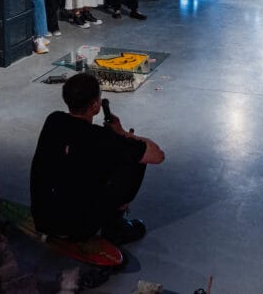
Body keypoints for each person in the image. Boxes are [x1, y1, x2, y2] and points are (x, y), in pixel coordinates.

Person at [30, 72, 165, 244]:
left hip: (43, 220)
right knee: (135, 161)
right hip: (77, 229)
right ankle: (114, 227)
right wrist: (122, 134)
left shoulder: (54, 120)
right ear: (95, 106)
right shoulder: (103, 139)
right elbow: (157, 155)